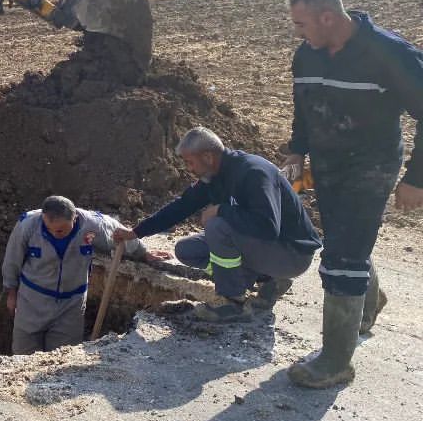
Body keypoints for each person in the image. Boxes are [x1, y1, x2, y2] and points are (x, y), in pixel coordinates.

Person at [282, 0, 423, 388]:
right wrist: (297, 152)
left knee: (343, 255)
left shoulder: (389, 53)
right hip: (328, 163)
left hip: (371, 164)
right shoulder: (307, 54)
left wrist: (416, 179)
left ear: (328, 18)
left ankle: (335, 362)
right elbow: (303, 105)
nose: (297, 32)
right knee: (345, 241)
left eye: (301, 23)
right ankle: (366, 303)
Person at [113, 127, 322, 323]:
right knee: (186, 250)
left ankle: (233, 303)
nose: (189, 169)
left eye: (190, 162)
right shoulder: (214, 176)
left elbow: (267, 226)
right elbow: (181, 207)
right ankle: (268, 280)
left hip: (291, 254)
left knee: (217, 226)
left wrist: (221, 210)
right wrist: (136, 232)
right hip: (265, 247)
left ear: (208, 156)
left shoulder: (253, 173)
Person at [2, 195, 166, 354]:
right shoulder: (28, 225)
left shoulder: (93, 225)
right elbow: (12, 259)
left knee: (61, 359)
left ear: (74, 219)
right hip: (32, 300)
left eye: (60, 231)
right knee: (22, 356)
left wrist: (144, 253)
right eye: (49, 229)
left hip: (71, 305)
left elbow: (121, 234)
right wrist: (11, 292)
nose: (54, 234)